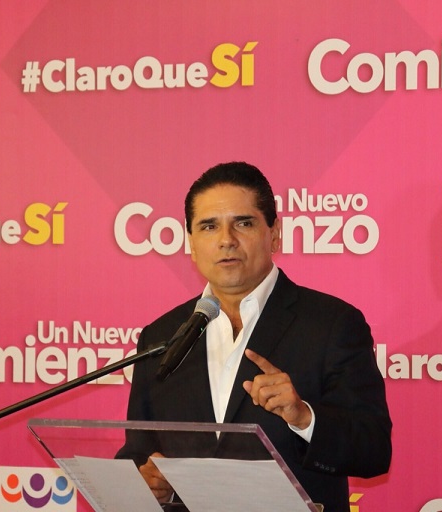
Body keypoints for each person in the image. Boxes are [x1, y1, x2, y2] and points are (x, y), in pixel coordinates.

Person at [117, 161, 392, 511]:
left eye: (243, 223)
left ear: (274, 234)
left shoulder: (332, 324)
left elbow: (373, 450)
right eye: (209, 226)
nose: (226, 240)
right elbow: (140, 452)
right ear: (192, 243)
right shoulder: (161, 337)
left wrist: (304, 417)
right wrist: (149, 484)